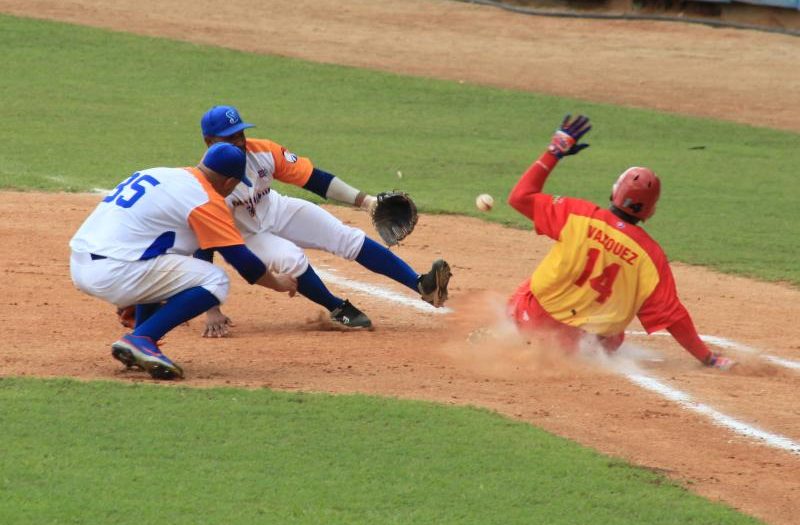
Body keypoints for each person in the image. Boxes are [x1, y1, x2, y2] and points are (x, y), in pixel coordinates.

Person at [194, 105, 451, 336]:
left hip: (275, 209)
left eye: (240, 134)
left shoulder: (263, 152)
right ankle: (336, 307)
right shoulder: (204, 185)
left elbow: (314, 178)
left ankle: (422, 286)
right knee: (291, 259)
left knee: (345, 237)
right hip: (246, 236)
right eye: (230, 138)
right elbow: (204, 247)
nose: (239, 142)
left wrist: (366, 201)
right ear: (209, 141)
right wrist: (211, 309)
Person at [505, 114, 735, 370]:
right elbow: (673, 317)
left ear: (616, 192)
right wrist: (708, 357)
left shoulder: (577, 214)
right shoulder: (651, 256)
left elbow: (519, 197)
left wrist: (555, 151)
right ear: (650, 212)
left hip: (535, 321)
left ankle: (510, 337)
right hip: (583, 345)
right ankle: (564, 349)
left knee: (528, 289)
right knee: (616, 333)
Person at [70, 143, 298, 380]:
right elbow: (243, 262)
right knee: (215, 279)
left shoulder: (160, 173)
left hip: (81, 263)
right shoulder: (206, 199)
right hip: (117, 270)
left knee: (168, 262)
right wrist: (279, 283)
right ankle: (141, 339)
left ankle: (140, 337)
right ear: (229, 182)